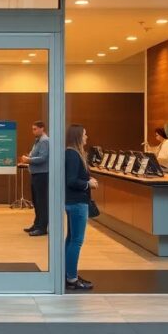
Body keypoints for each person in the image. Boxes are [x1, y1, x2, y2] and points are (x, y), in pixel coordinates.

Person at [64, 123, 98, 291]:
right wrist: (88, 184)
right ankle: (71, 278)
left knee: (71, 239)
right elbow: (71, 180)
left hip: (74, 202)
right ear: (78, 136)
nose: (86, 137)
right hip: (77, 203)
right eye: (84, 134)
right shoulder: (73, 154)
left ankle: (69, 274)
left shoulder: (71, 153)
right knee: (76, 241)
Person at [20, 120, 50, 236]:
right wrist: (29, 157)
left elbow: (43, 158)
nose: (33, 131)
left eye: (35, 129)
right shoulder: (38, 141)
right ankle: (37, 224)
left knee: (41, 202)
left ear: (42, 128)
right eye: (32, 129)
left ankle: (42, 227)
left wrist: (29, 160)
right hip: (36, 174)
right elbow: (36, 155)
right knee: (36, 202)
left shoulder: (44, 141)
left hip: (42, 175)